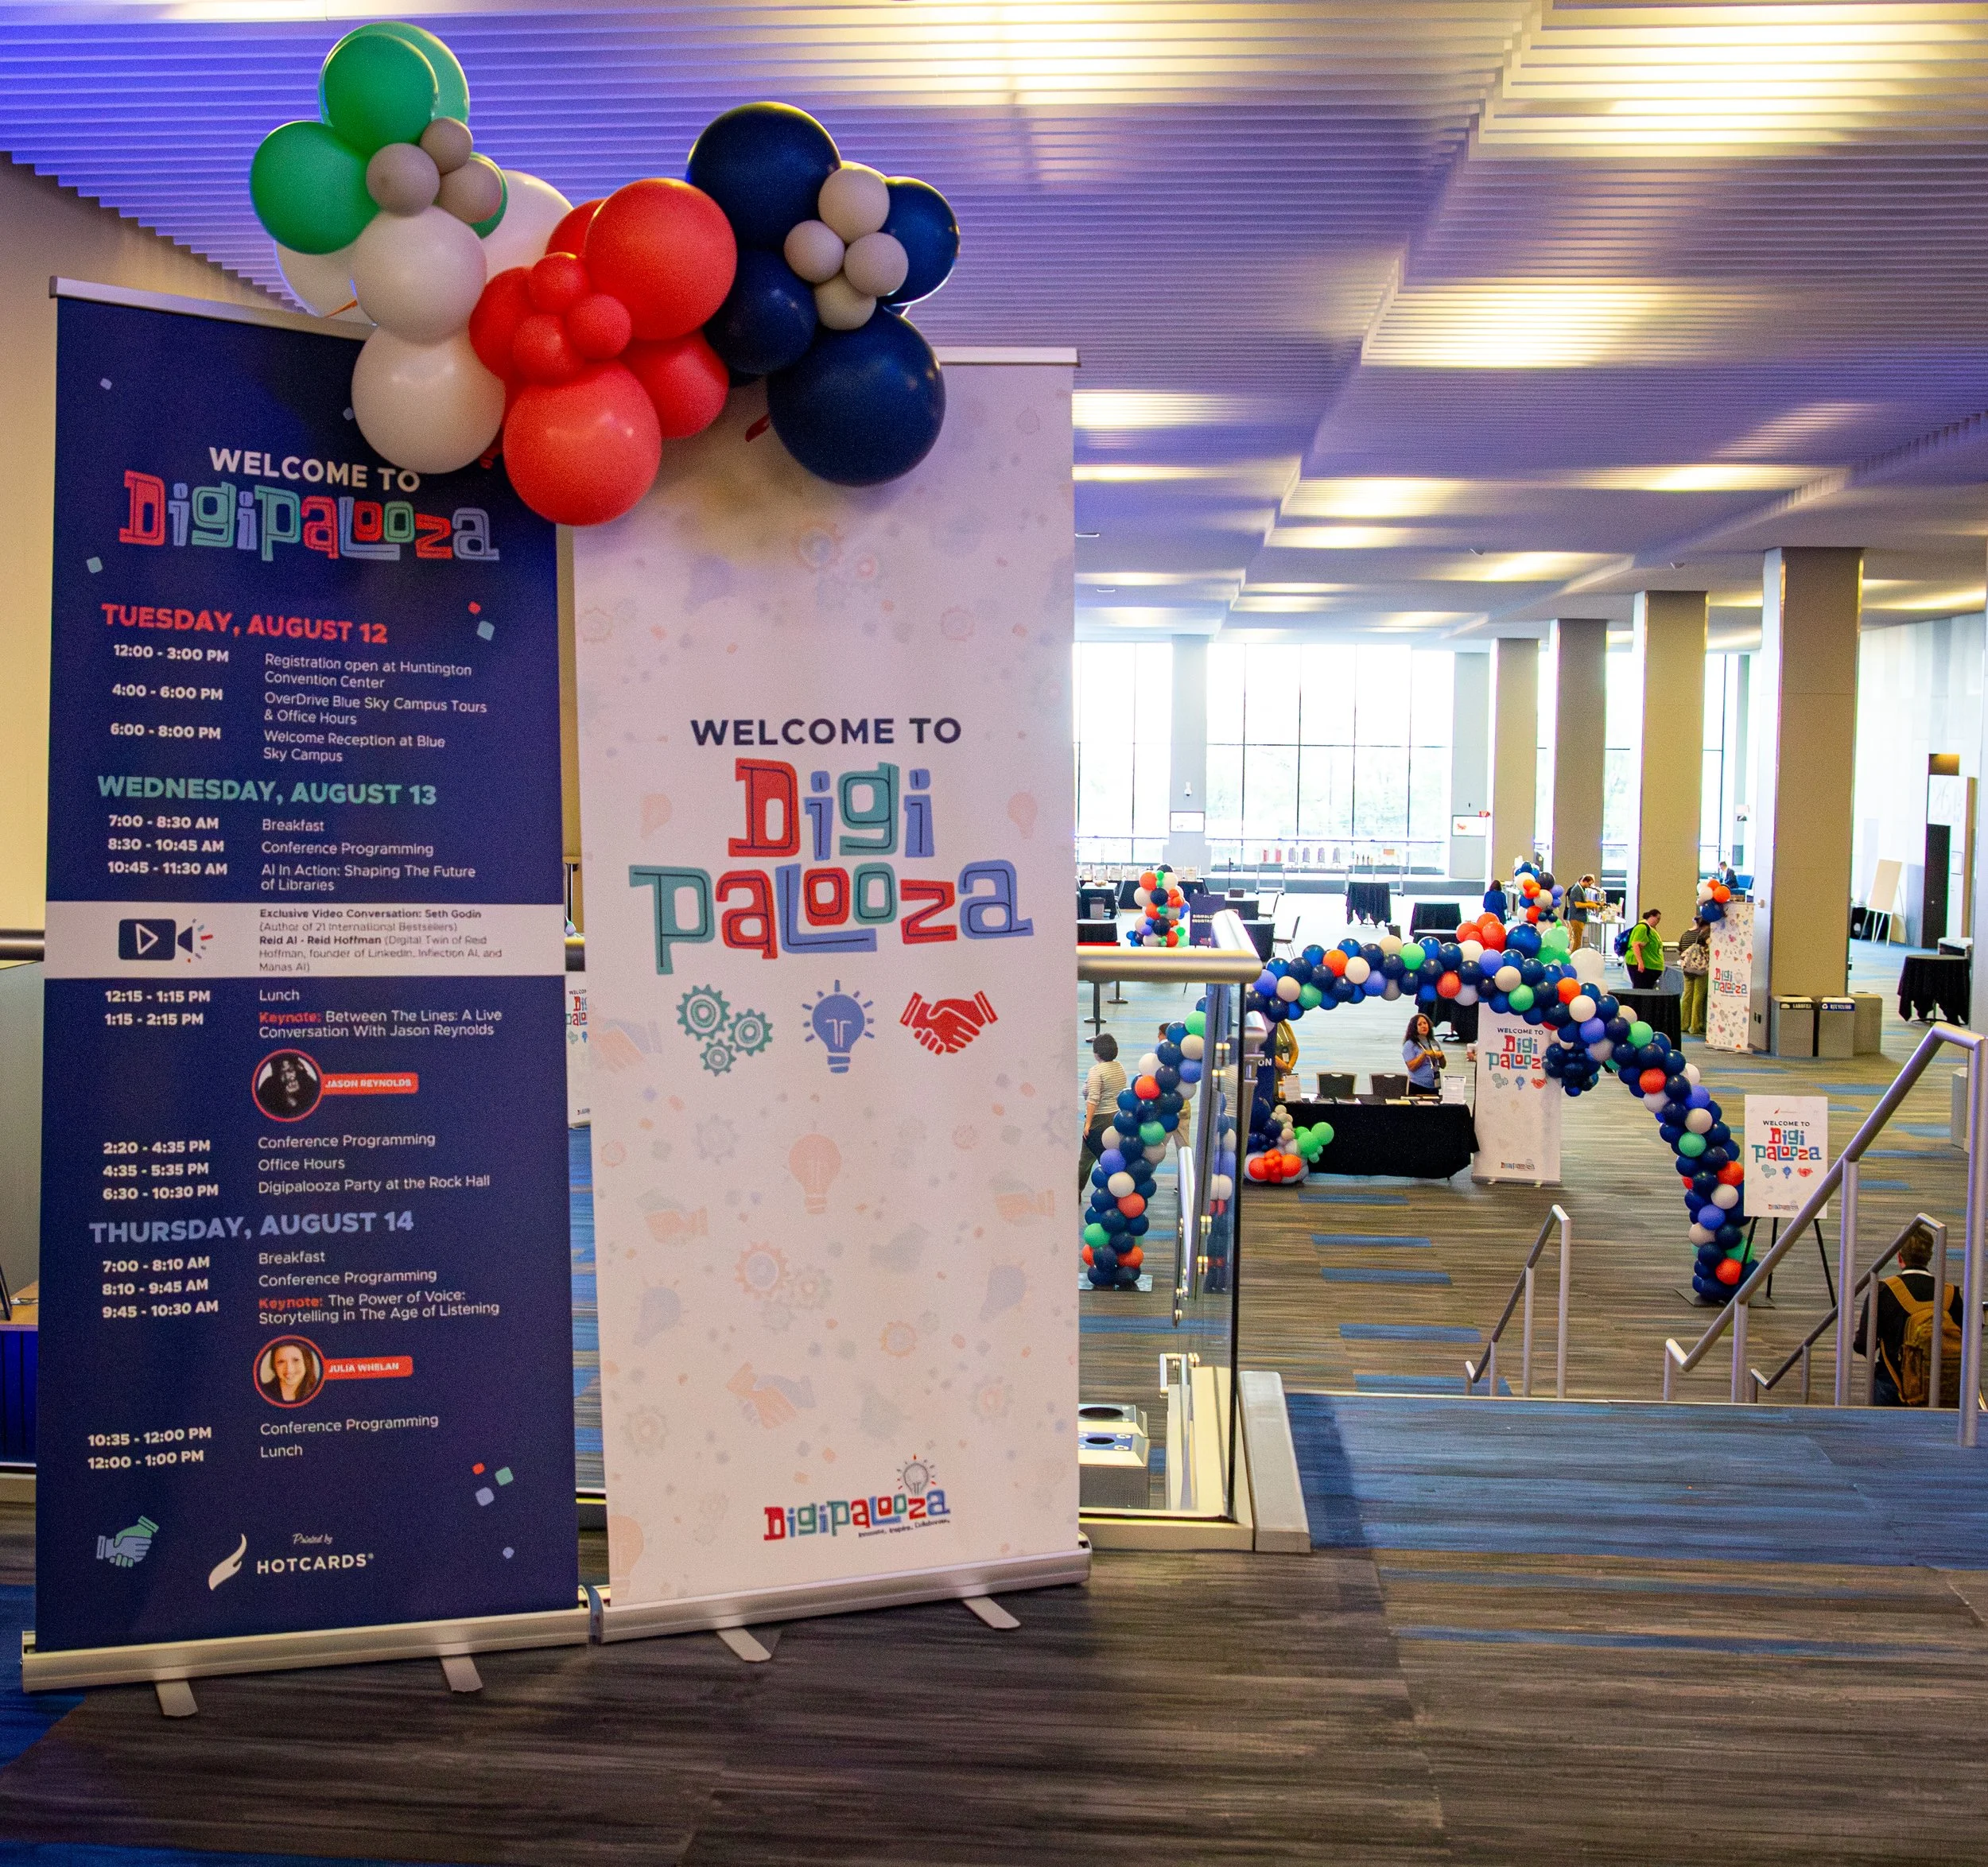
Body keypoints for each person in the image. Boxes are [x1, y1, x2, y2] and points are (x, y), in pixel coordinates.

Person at [1854, 1221, 1964, 1407]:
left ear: (1900, 1257)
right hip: (1941, 1386)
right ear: (1928, 1257)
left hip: (1892, 1385)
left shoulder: (1883, 1291)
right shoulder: (1950, 1293)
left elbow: (1862, 1344)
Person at [1078, 1032, 1127, 1192]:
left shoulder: (1096, 1071)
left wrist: (1088, 1124)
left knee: (1085, 1160)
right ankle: (1117, 1189)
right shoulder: (1119, 1067)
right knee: (1112, 1156)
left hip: (1099, 1120)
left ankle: (1076, 1191)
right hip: (1116, 1118)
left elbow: (1093, 1099)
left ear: (1097, 1052)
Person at [258, 1338, 321, 1407]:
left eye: (296, 1360)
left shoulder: (320, 1391)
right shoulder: (263, 1391)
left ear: (307, 1362)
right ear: (274, 1365)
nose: (289, 1369)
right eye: (281, 1362)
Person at [1678, 912, 1712, 1036]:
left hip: (1688, 968)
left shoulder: (1689, 934)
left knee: (1687, 996)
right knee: (1698, 998)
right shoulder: (1708, 935)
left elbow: (1680, 949)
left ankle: (1683, 1023)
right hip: (1701, 970)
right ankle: (1695, 1025)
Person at [1402, 1011, 1443, 1095]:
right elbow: (1411, 1067)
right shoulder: (1410, 1044)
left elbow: (1443, 1065)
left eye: (1425, 1023)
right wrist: (1424, 1054)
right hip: (1417, 1085)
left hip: (1433, 1085)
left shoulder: (1434, 1042)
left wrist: (1441, 1056)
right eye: (1420, 1024)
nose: (1423, 1026)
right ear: (1414, 1028)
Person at [1625, 908, 1665, 989]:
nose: (1658, 921)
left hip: (1651, 966)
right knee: (1641, 989)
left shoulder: (1651, 929)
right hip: (1641, 965)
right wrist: (1640, 963)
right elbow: (1636, 945)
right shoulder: (1642, 928)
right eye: (1657, 919)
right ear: (1651, 916)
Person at [1567, 874, 1600, 950]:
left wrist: (1596, 903)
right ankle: (1574, 955)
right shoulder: (1577, 890)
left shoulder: (1581, 889)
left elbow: (1585, 900)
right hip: (1576, 918)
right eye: (1589, 884)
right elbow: (1578, 904)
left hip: (1579, 918)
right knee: (1577, 941)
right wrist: (1590, 905)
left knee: (1578, 940)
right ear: (1584, 881)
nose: (1589, 886)